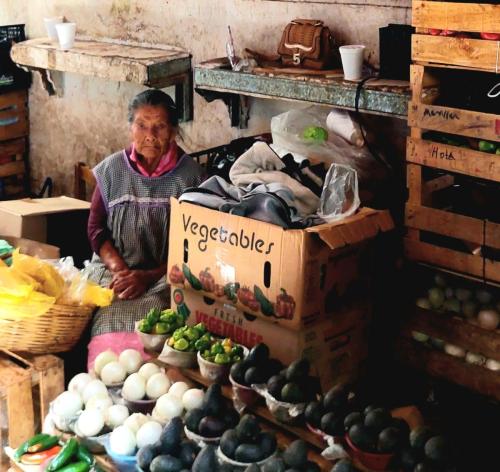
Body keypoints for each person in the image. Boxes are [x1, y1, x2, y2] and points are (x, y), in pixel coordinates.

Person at [85, 89, 204, 370]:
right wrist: (120, 271)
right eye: (141, 125)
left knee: (157, 324)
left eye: (160, 126)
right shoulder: (112, 170)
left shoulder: (191, 177)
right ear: (131, 128)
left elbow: (195, 246)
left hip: (165, 275)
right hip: (115, 270)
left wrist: (147, 276)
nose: (150, 134)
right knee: (103, 315)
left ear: (173, 131)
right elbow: (96, 229)